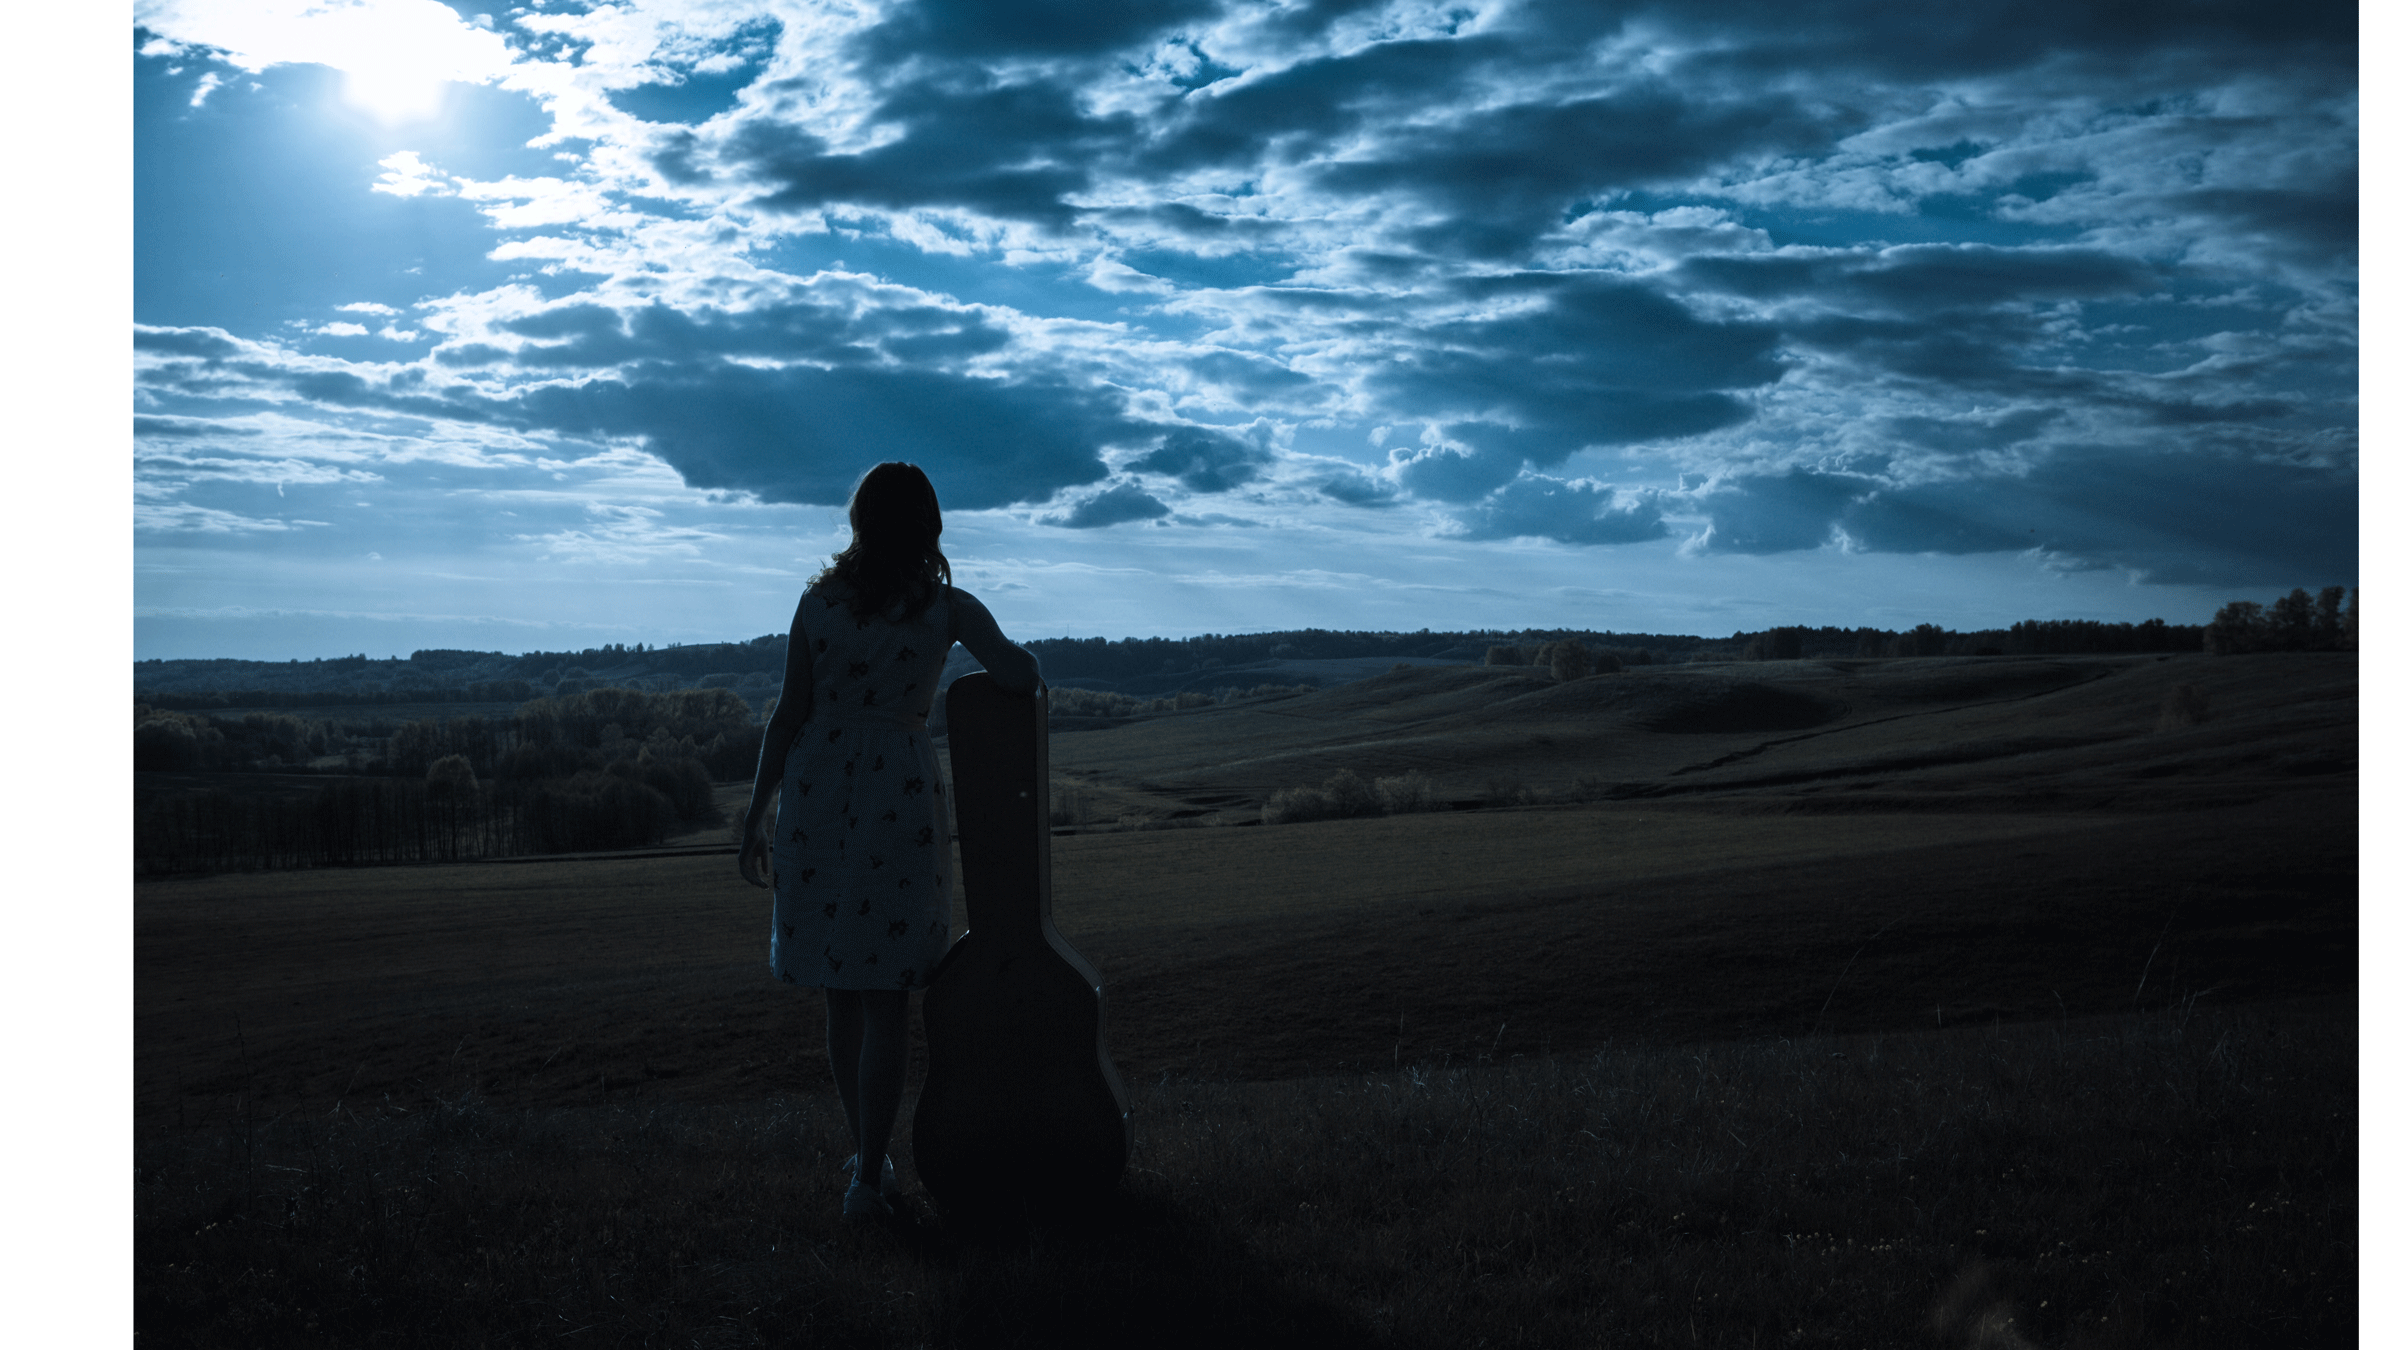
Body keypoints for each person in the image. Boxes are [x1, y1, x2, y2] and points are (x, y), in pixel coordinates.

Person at [738, 462, 1041, 1223]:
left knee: (841, 993)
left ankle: (865, 1163)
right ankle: (868, 1175)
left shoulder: (818, 603)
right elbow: (1019, 673)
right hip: (896, 798)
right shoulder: (945, 608)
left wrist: (754, 813)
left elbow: (786, 715)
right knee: (885, 996)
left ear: (860, 522)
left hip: (817, 793)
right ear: (928, 525)